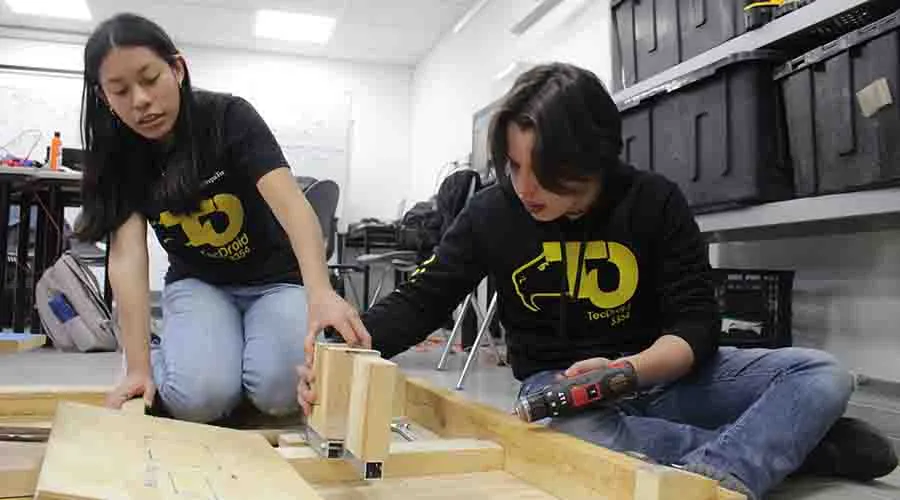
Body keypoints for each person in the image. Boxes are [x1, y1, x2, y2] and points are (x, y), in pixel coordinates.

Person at [298, 63, 897, 499]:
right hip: (567, 393)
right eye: (513, 167)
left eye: (546, 173)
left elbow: (696, 323)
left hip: (663, 373)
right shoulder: (492, 213)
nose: (525, 188)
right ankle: (788, 447)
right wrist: (336, 347)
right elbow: (420, 301)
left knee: (822, 374)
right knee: (572, 431)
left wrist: (630, 370)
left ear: (595, 160)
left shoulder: (654, 201)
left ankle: (716, 474)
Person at [76, 13, 369, 423]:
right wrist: (138, 367)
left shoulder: (228, 118)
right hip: (200, 285)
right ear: (104, 97)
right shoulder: (118, 155)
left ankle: (239, 359)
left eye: (149, 78)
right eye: (120, 91)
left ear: (177, 69)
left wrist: (319, 293)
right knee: (198, 399)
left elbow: (294, 207)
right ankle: (184, 357)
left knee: (281, 392)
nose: (140, 100)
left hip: (276, 282)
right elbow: (127, 259)